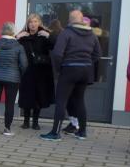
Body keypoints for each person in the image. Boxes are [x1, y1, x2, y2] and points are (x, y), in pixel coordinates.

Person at [41, 10, 101, 141]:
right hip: (85, 71)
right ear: (81, 19)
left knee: (61, 101)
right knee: (79, 100)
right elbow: (97, 54)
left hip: (69, 69)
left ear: (70, 19)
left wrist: (59, 68)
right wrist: (86, 63)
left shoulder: (66, 33)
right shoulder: (92, 34)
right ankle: (82, 132)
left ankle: (55, 133)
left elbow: (57, 54)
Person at [0, 22, 28, 136]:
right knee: (10, 103)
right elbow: (24, 65)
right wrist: (18, 74)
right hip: (13, 79)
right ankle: (7, 128)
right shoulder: (19, 47)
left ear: (1, 31)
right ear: (14, 32)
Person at [16, 13, 54, 130]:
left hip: (41, 71)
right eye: (31, 22)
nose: (33, 24)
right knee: (27, 95)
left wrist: (49, 36)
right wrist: (17, 36)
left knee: (39, 95)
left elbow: (56, 46)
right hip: (27, 71)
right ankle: (26, 121)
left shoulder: (44, 35)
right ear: (27, 24)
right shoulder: (23, 36)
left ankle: (35, 122)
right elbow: (12, 48)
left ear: (39, 23)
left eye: (35, 21)